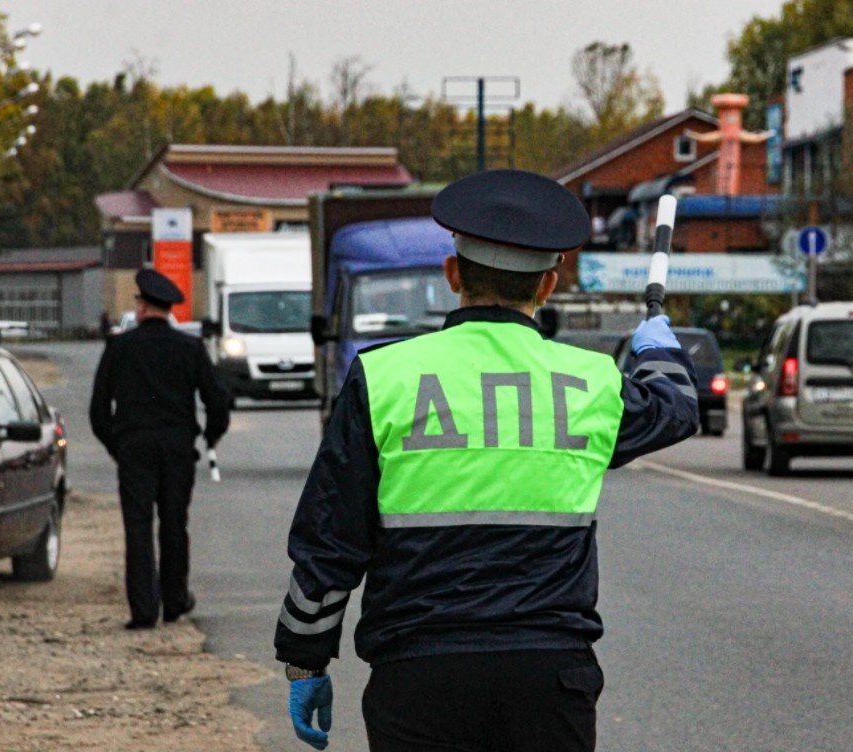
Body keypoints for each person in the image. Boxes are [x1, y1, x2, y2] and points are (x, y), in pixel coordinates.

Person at [274, 169, 699, 751]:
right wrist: (658, 350)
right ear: (548, 286)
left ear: (452, 274)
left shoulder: (382, 376)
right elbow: (676, 408)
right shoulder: (592, 381)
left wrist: (305, 659)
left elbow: (332, 538)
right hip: (549, 678)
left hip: (418, 677)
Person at [89, 268, 230, 630]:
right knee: (174, 523)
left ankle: (143, 610)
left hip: (134, 447)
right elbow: (217, 401)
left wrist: (116, 445)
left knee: (137, 526)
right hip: (177, 448)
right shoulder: (190, 348)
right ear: (167, 310)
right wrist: (211, 436)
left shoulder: (119, 347)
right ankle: (174, 601)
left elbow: (98, 410)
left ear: (142, 307)